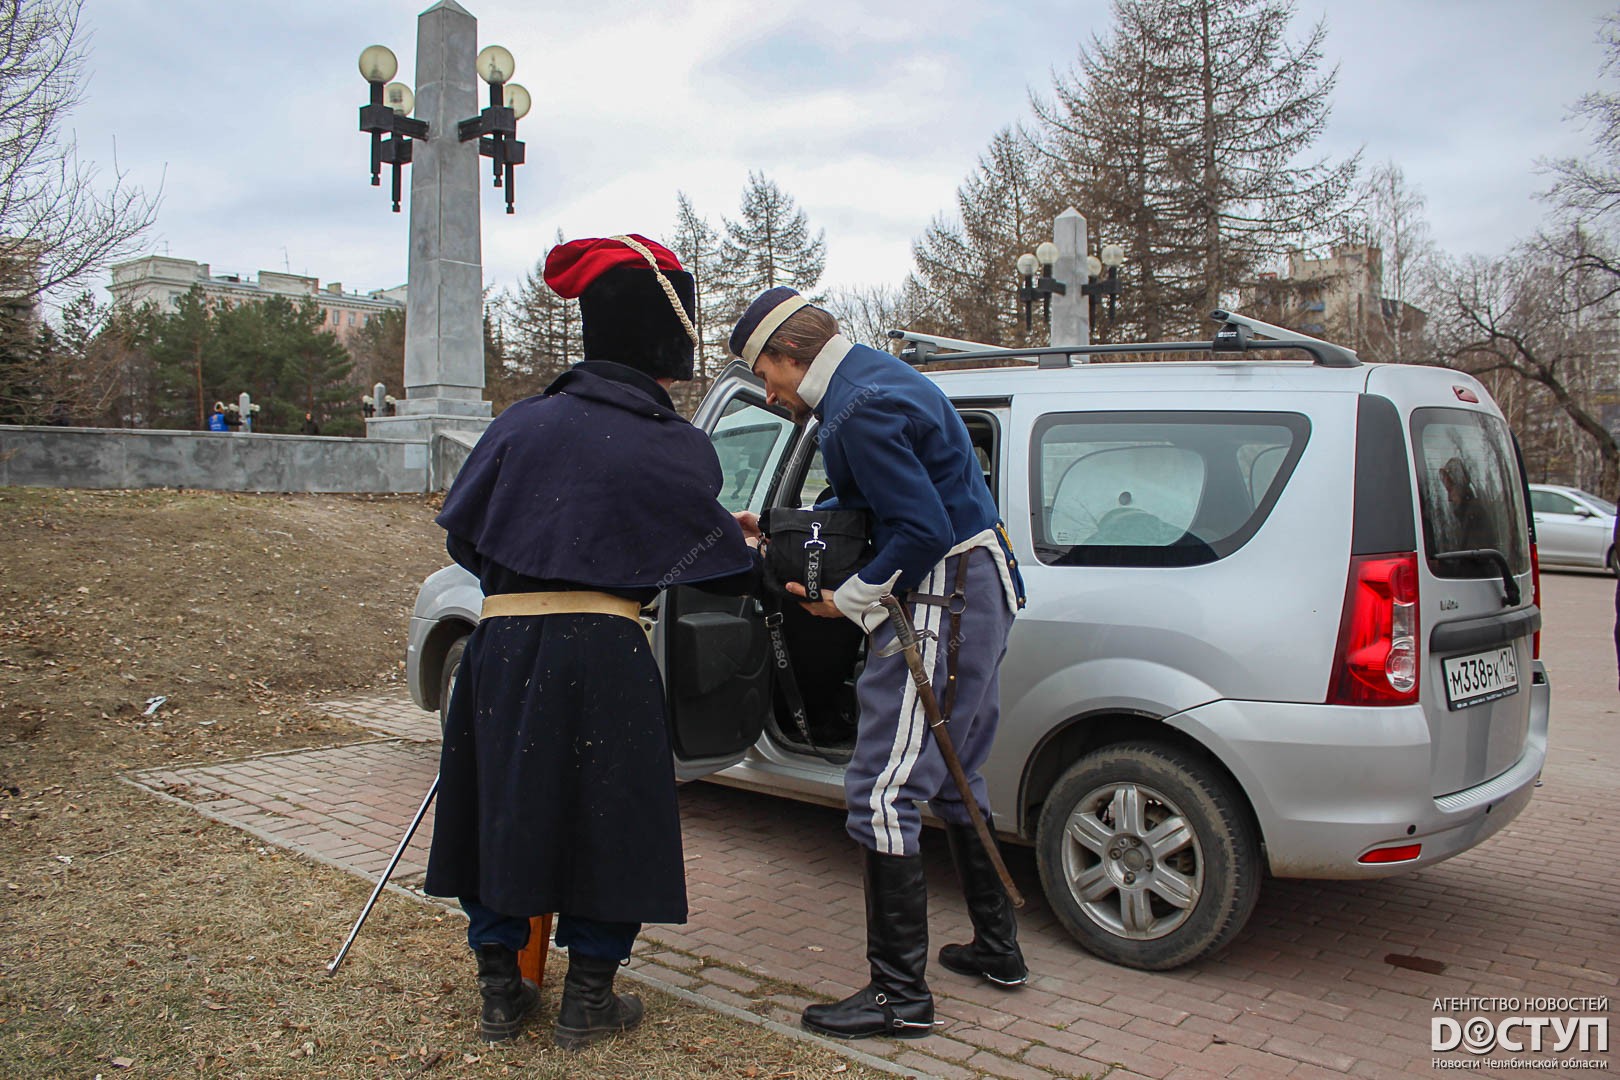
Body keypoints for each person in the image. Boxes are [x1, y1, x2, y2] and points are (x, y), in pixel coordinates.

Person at [424, 234, 759, 1048]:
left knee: (501, 803)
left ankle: (500, 991)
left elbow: (466, 539)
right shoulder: (673, 442)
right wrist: (733, 540)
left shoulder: (519, 425)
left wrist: (536, 568)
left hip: (502, 647)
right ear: (665, 343)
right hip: (606, 651)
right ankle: (588, 999)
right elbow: (713, 571)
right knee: (613, 815)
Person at [729, 287, 1028, 1041]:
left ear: (786, 355)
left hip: (941, 593)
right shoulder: (873, 380)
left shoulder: (854, 408)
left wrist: (850, 600)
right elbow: (877, 506)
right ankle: (998, 949)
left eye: (764, 374)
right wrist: (778, 529)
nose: (769, 393)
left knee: (881, 791)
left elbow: (920, 528)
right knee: (956, 771)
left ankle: (900, 997)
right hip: (976, 587)